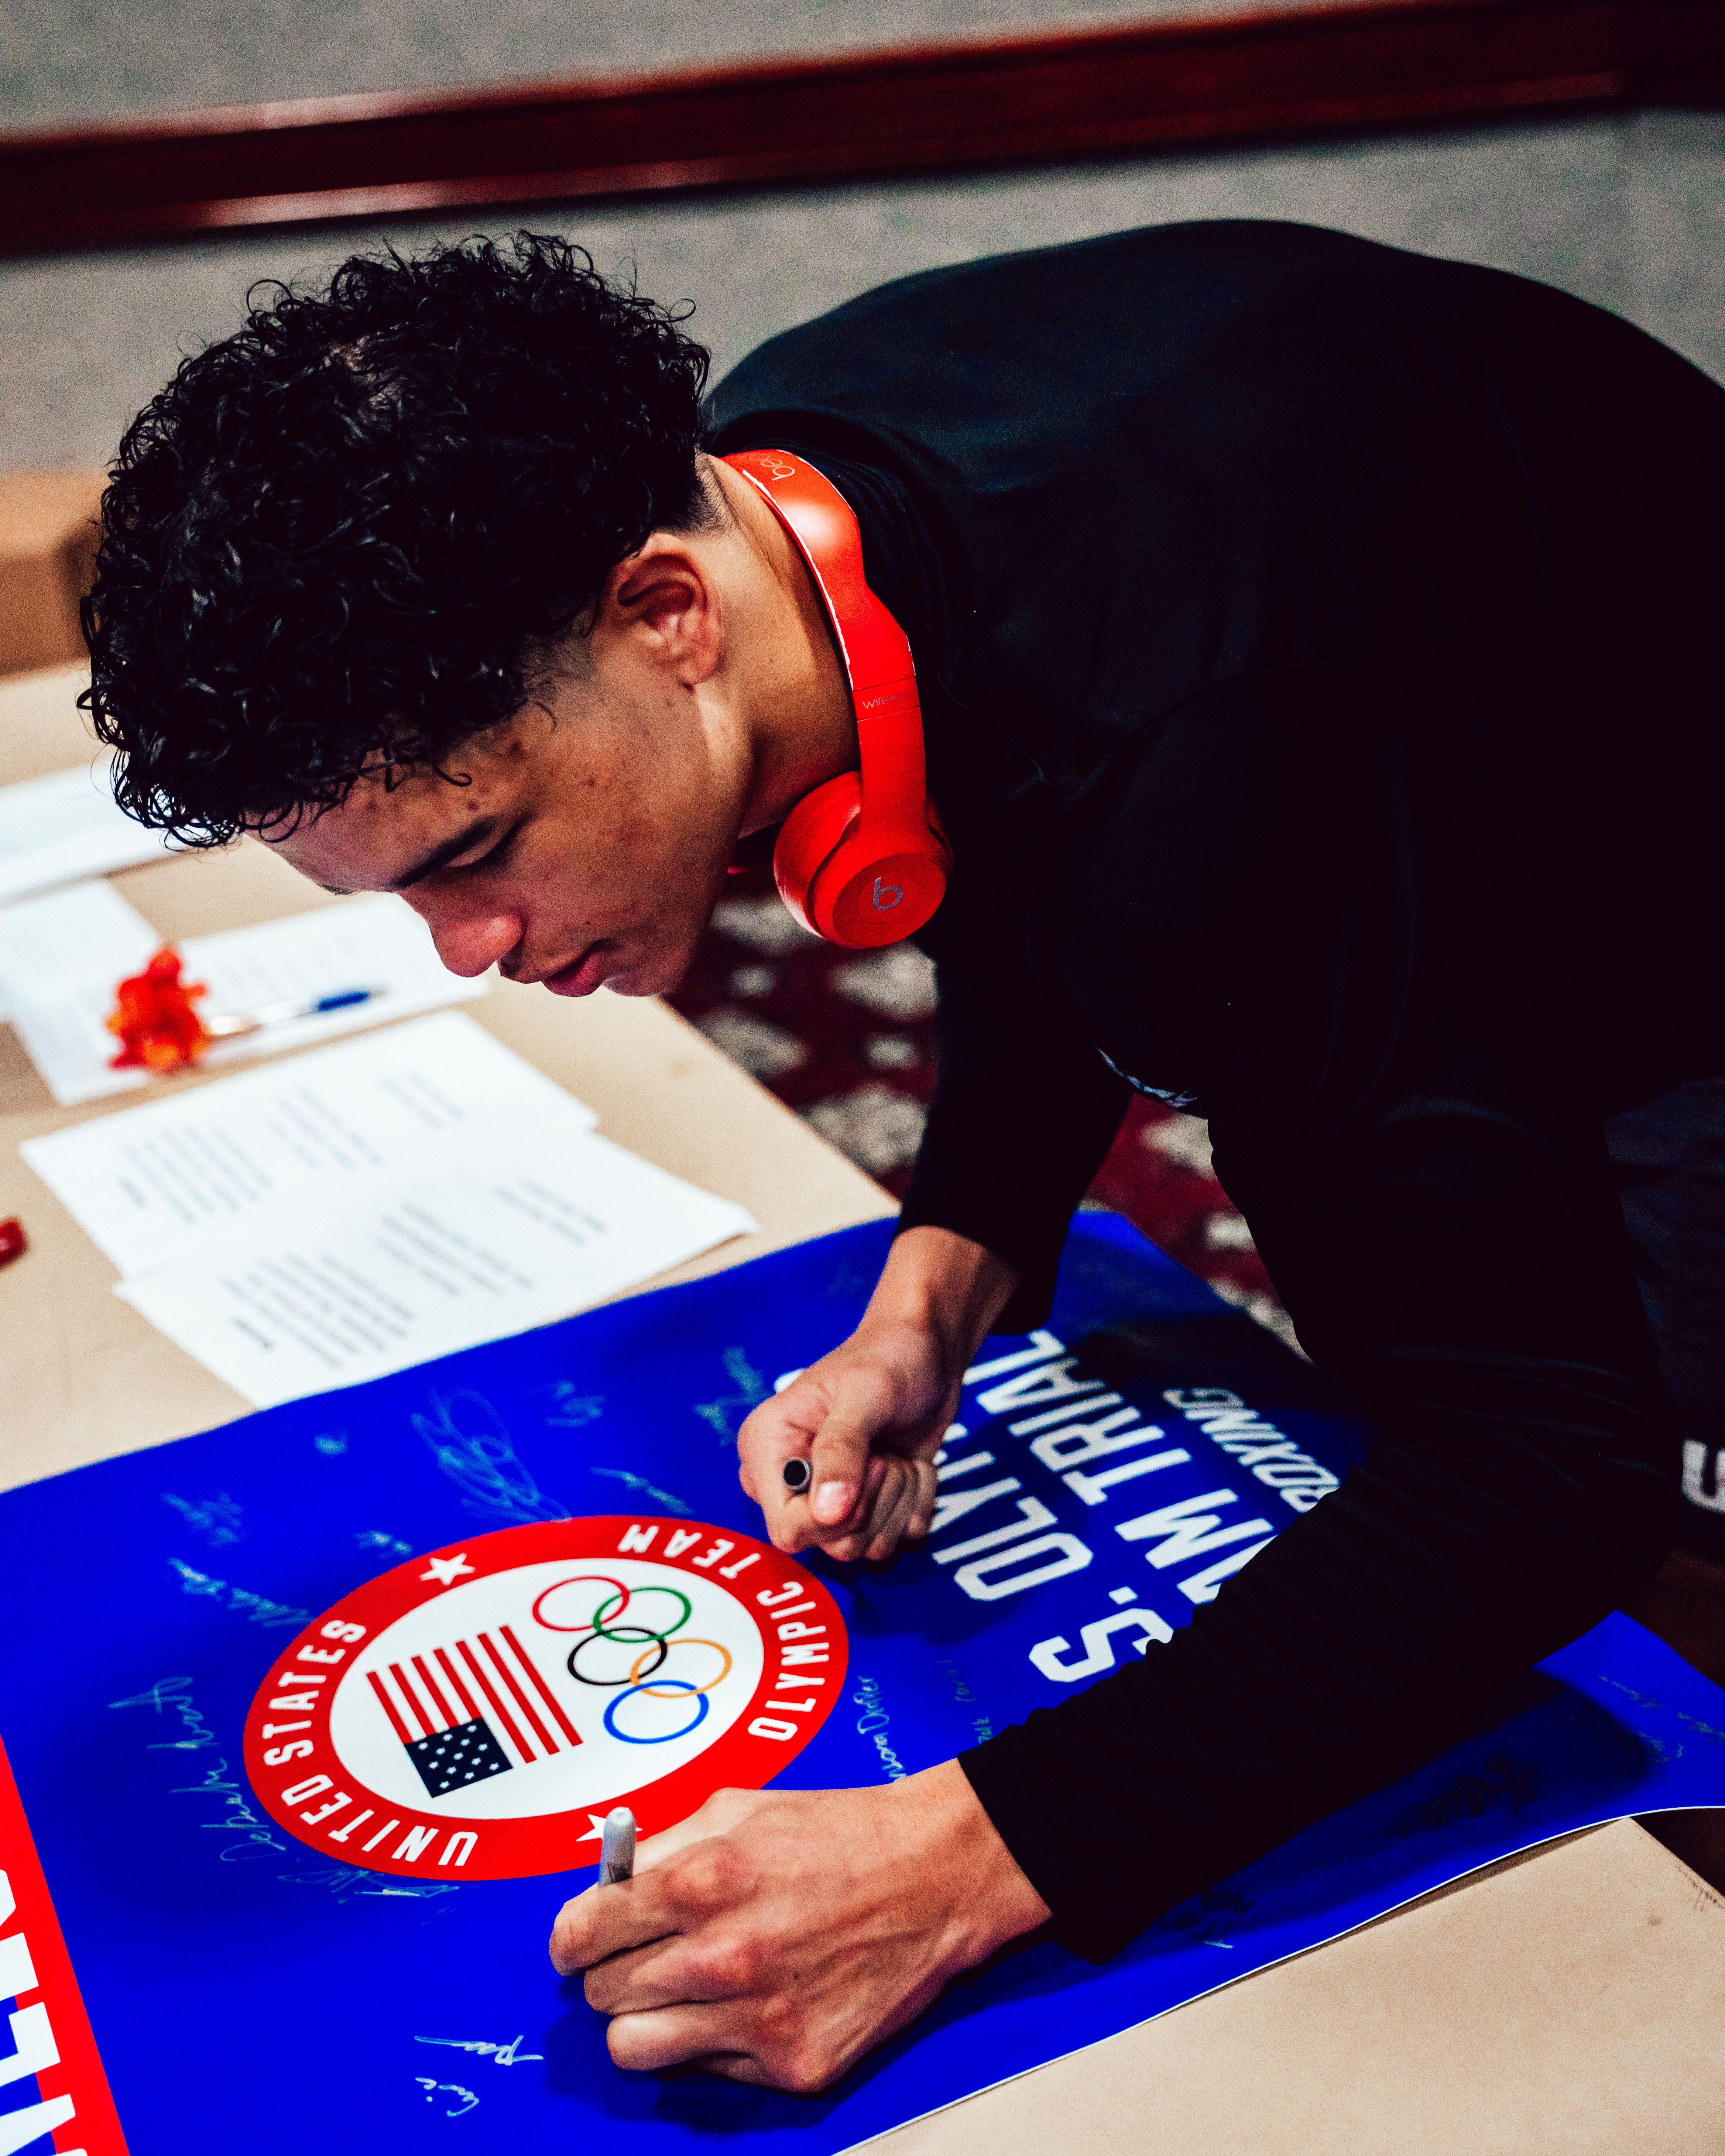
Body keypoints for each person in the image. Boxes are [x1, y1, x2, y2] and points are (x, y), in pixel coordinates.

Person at [82, 224, 1725, 2092]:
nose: (474, 952)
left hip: (1654, 854)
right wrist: (933, 1294)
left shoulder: (1212, 767)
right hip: (1377, 661)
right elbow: (1036, 861)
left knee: (1640, 1544)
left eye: (476, 849)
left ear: (666, 619)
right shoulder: (787, 489)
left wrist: (952, 1862)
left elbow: (1535, 1466)